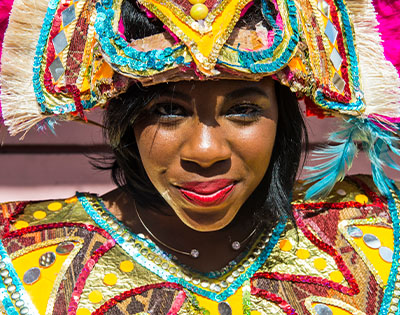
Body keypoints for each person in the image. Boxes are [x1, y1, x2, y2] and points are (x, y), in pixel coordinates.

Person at [0, 0, 399, 314]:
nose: (205, 152)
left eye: (243, 110)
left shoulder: (376, 240)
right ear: (125, 118)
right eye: (167, 111)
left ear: (283, 117)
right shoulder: (19, 262)